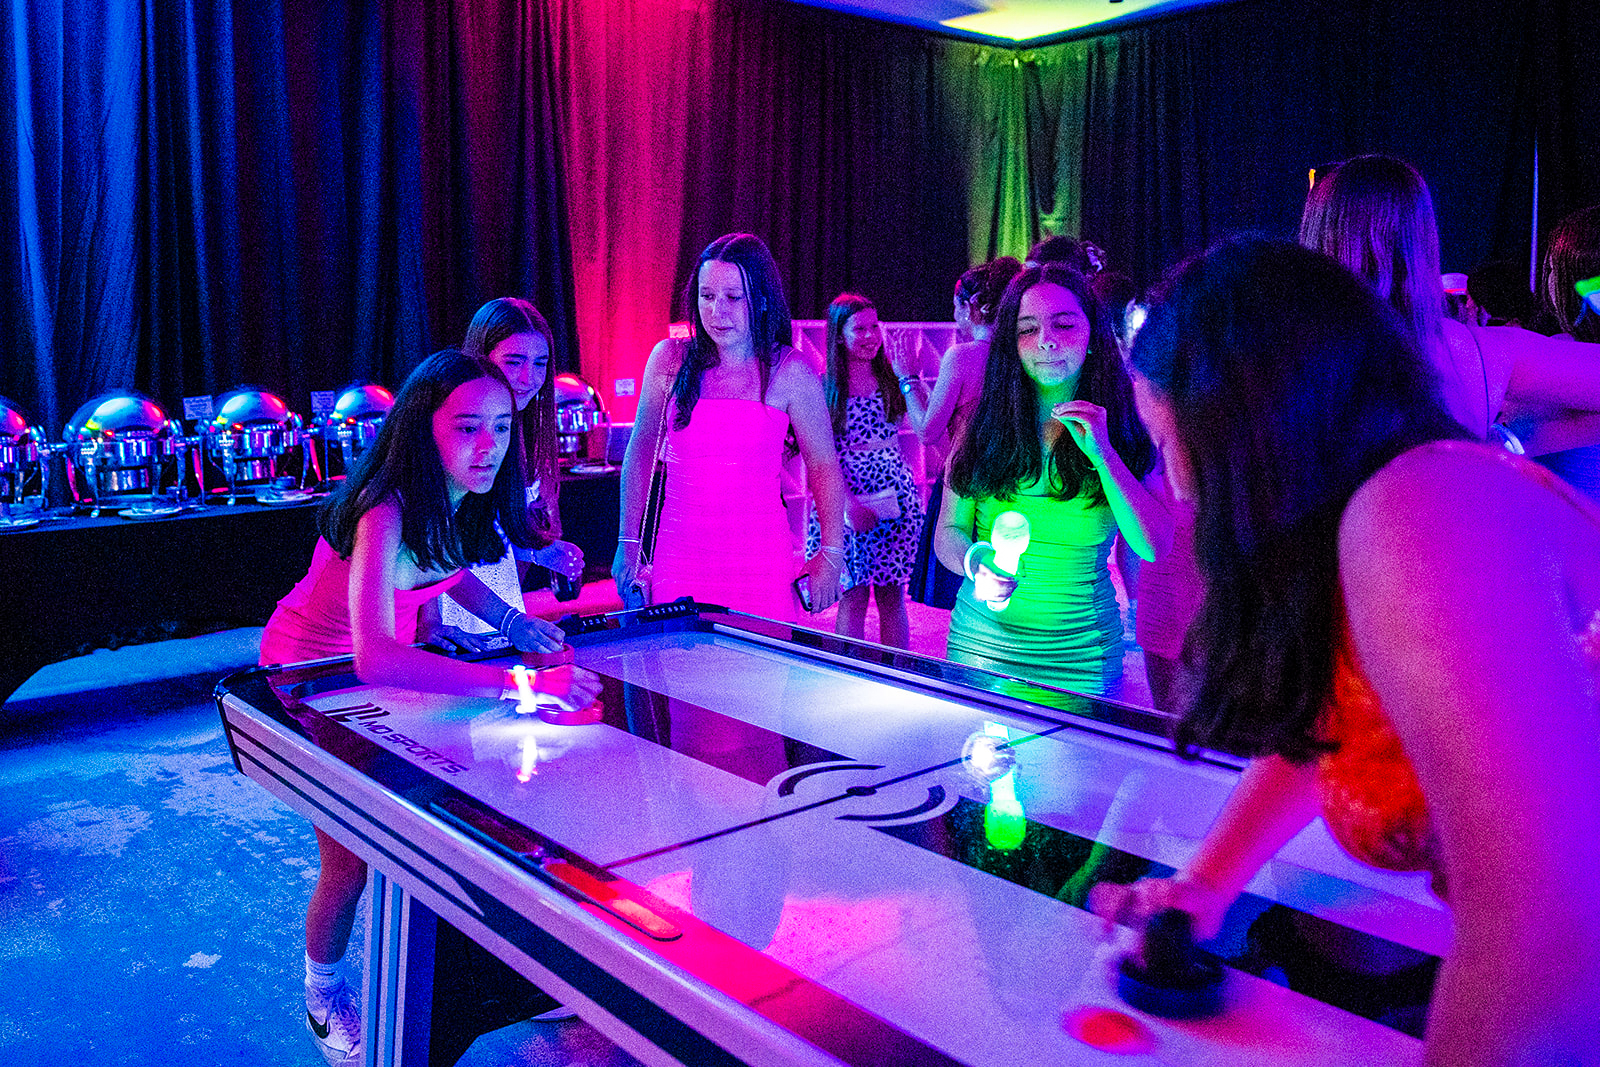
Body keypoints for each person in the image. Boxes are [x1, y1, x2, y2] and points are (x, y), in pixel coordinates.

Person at [1092, 236, 1600, 1066]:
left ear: (1246, 429)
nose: (1179, 487)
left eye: (1172, 442)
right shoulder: (1372, 524)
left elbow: (1542, 932)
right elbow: (1331, 726)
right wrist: (1204, 886)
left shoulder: (1421, 511)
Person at [259, 348, 602, 1067]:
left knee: (452, 818)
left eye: (502, 427)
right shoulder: (384, 508)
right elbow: (375, 658)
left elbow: (452, 569)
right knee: (351, 859)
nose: (489, 446)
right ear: (424, 427)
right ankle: (322, 994)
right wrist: (519, 682)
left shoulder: (457, 496)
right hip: (309, 674)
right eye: (468, 427)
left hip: (375, 675)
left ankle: (481, 982)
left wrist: (511, 623)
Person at [934, 263, 1171, 697]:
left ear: (1093, 335)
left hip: (1082, 659)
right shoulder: (982, 424)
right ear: (1011, 343)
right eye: (1027, 329)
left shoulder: (1125, 428)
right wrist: (974, 562)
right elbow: (949, 530)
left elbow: (1154, 545)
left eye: (1063, 324)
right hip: (980, 649)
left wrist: (1104, 455)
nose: (1046, 340)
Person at [612, 233, 845, 620]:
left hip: (760, 562)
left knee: (762, 658)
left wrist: (832, 553)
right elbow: (640, 452)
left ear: (762, 299)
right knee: (680, 656)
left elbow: (823, 464)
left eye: (733, 297)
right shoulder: (668, 359)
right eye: (707, 296)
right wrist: (628, 540)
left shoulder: (792, 370)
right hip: (679, 555)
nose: (717, 311)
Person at [432, 298, 585, 650]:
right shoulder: (454, 423)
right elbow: (427, 542)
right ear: (481, 358)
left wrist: (537, 551)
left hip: (497, 603)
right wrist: (431, 621)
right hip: (442, 600)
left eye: (540, 363)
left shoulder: (522, 426)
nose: (529, 379)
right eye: (514, 362)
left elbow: (486, 531)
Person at [897, 256, 1021, 609]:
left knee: (967, 591)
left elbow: (927, 430)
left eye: (956, 306)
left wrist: (908, 378)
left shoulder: (963, 356)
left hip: (966, 483)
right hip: (1012, 479)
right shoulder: (1018, 354)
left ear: (971, 307)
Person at [804, 294, 923, 646]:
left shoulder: (891, 376)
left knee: (892, 596)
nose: (871, 335)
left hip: (895, 498)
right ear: (840, 335)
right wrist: (848, 505)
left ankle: (897, 671)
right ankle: (849, 671)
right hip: (846, 497)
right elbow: (821, 456)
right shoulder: (825, 386)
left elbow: (927, 423)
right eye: (860, 329)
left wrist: (910, 376)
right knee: (853, 594)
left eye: (874, 327)